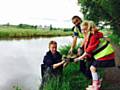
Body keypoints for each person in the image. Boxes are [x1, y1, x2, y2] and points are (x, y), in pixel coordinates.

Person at [74, 20, 115, 90]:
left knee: (92, 68)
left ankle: (95, 87)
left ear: (89, 29)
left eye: (85, 29)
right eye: (82, 30)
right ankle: (97, 82)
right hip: (104, 55)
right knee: (93, 68)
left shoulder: (93, 37)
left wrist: (78, 58)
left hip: (105, 55)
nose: (83, 31)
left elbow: (88, 51)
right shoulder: (92, 35)